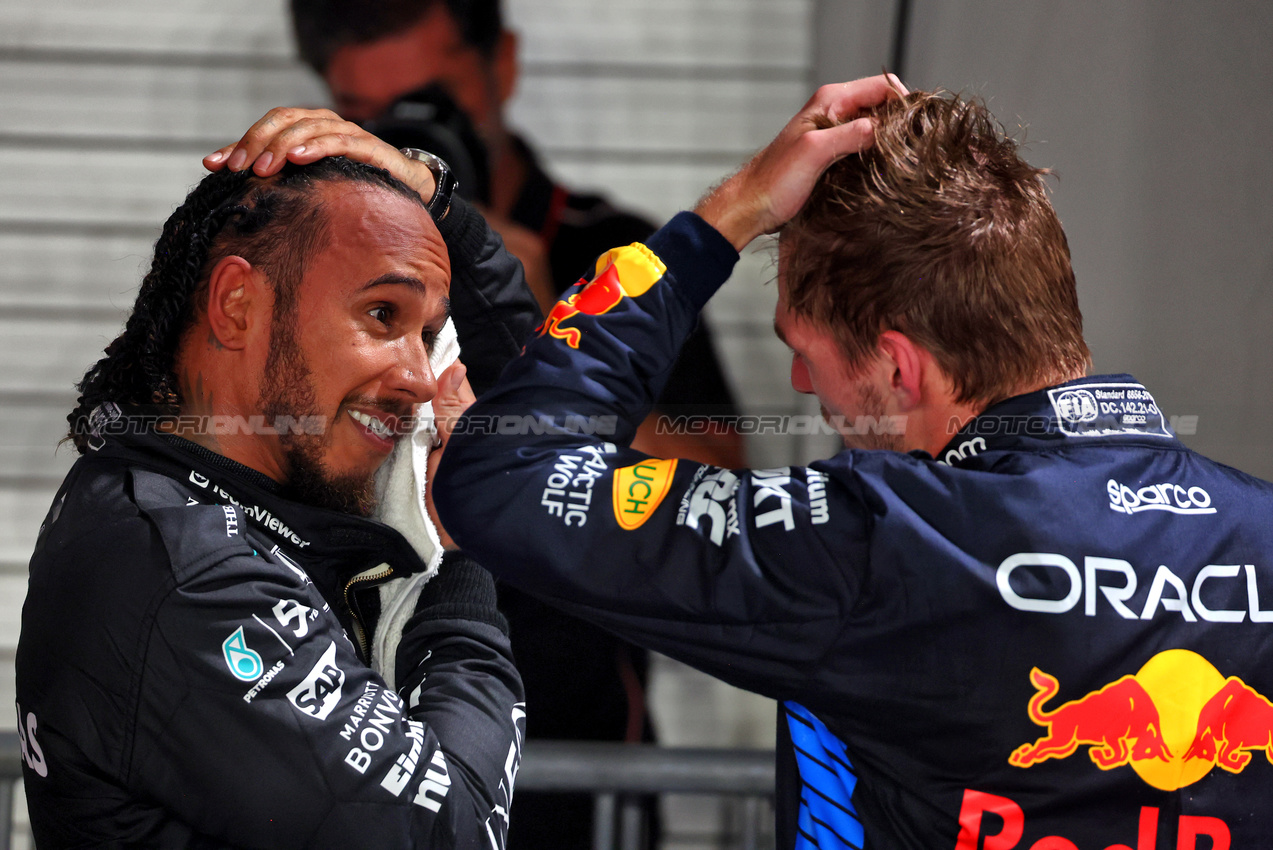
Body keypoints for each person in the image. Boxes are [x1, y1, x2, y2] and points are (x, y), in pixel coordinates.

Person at [392, 74, 1273, 848]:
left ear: (898, 365)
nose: (798, 379)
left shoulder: (889, 537)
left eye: (803, 347)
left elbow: (505, 477)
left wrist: (726, 215)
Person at [287, 3, 743, 844]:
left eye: (431, 99)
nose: (404, 135)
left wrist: (536, 323)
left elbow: (721, 486)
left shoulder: (613, 258)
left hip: (574, 752)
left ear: (500, 64)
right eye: (369, 115)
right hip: (358, 740)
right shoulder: (301, 271)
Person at [14, 139, 539, 846]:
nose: (419, 379)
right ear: (236, 305)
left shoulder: (190, 504)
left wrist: (439, 199)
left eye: (429, 335)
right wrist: (463, 564)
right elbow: (459, 834)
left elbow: (536, 422)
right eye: (383, 315)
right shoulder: (190, 570)